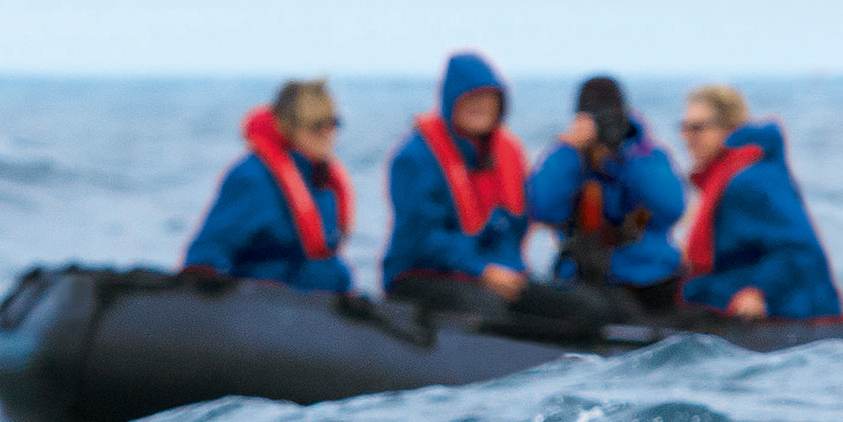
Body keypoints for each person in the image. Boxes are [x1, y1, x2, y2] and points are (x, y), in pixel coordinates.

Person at [671, 84, 840, 321]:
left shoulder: (749, 180)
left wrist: (757, 290)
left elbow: (798, 250)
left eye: (697, 128)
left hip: (797, 315)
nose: (687, 137)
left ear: (729, 129)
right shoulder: (726, 177)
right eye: (684, 128)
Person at [381, 52, 533, 297]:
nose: (480, 104)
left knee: (575, 307)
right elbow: (422, 240)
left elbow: (515, 226)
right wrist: (482, 270)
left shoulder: (507, 154)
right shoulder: (415, 156)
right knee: (492, 307)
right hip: (423, 273)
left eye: (488, 96)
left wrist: (508, 271)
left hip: (492, 271)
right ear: (451, 101)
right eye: (471, 96)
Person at [180, 79, 352, 291]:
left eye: (333, 123)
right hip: (270, 307)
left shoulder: (322, 180)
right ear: (288, 127)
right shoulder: (252, 178)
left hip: (321, 305)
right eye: (316, 126)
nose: (327, 133)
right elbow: (206, 254)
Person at [529, 74, 686, 303]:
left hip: (650, 278)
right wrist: (568, 151)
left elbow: (672, 208)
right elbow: (542, 209)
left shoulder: (648, 156)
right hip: (586, 279)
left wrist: (629, 151)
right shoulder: (570, 160)